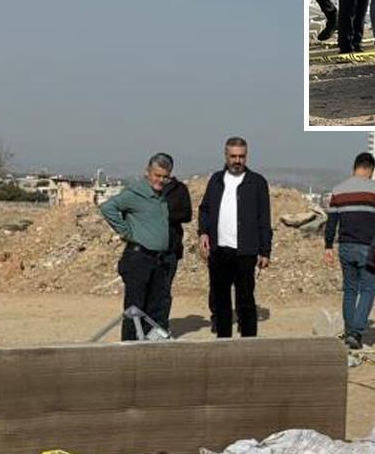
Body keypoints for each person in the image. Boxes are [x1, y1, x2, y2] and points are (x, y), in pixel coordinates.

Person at [197, 137, 272, 338]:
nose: (237, 160)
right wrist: (203, 232)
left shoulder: (256, 182)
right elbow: (205, 209)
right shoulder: (216, 180)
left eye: (241, 156)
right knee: (221, 302)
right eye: (233, 156)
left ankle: (248, 344)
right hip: (220, 251)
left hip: (245, 251)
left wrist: (265, 251)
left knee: (246, 301)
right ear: (226, 156)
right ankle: (223, 343)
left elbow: (264, 218)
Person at [323, 152, 375, 350]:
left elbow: (331, 223)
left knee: (350, 290)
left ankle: (349, 330)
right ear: (370, 169)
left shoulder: (338, 190)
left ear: (354, 167)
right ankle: (356, 333)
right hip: (369, 248)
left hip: (345, 247)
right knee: (368, 289)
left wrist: (328, 246)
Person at [100, 155, 173, 340]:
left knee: (156, 309)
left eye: (165, 176)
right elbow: (108, 207)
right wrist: (126, 232)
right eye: (157, 175)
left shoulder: (160, 195)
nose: (161, 180)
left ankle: (150, 351)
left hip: (158, 260)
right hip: (138, 260)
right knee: (135, 310)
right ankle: (130, 351)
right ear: (147, 172)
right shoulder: (135, 193)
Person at [159, 155, 194, 334]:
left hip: (170, 248)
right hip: (146, 250)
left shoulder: (179, 189)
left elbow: (187, 214)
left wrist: (164, 214)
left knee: (164, 291)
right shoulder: (145, 188)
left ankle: (160, 328)